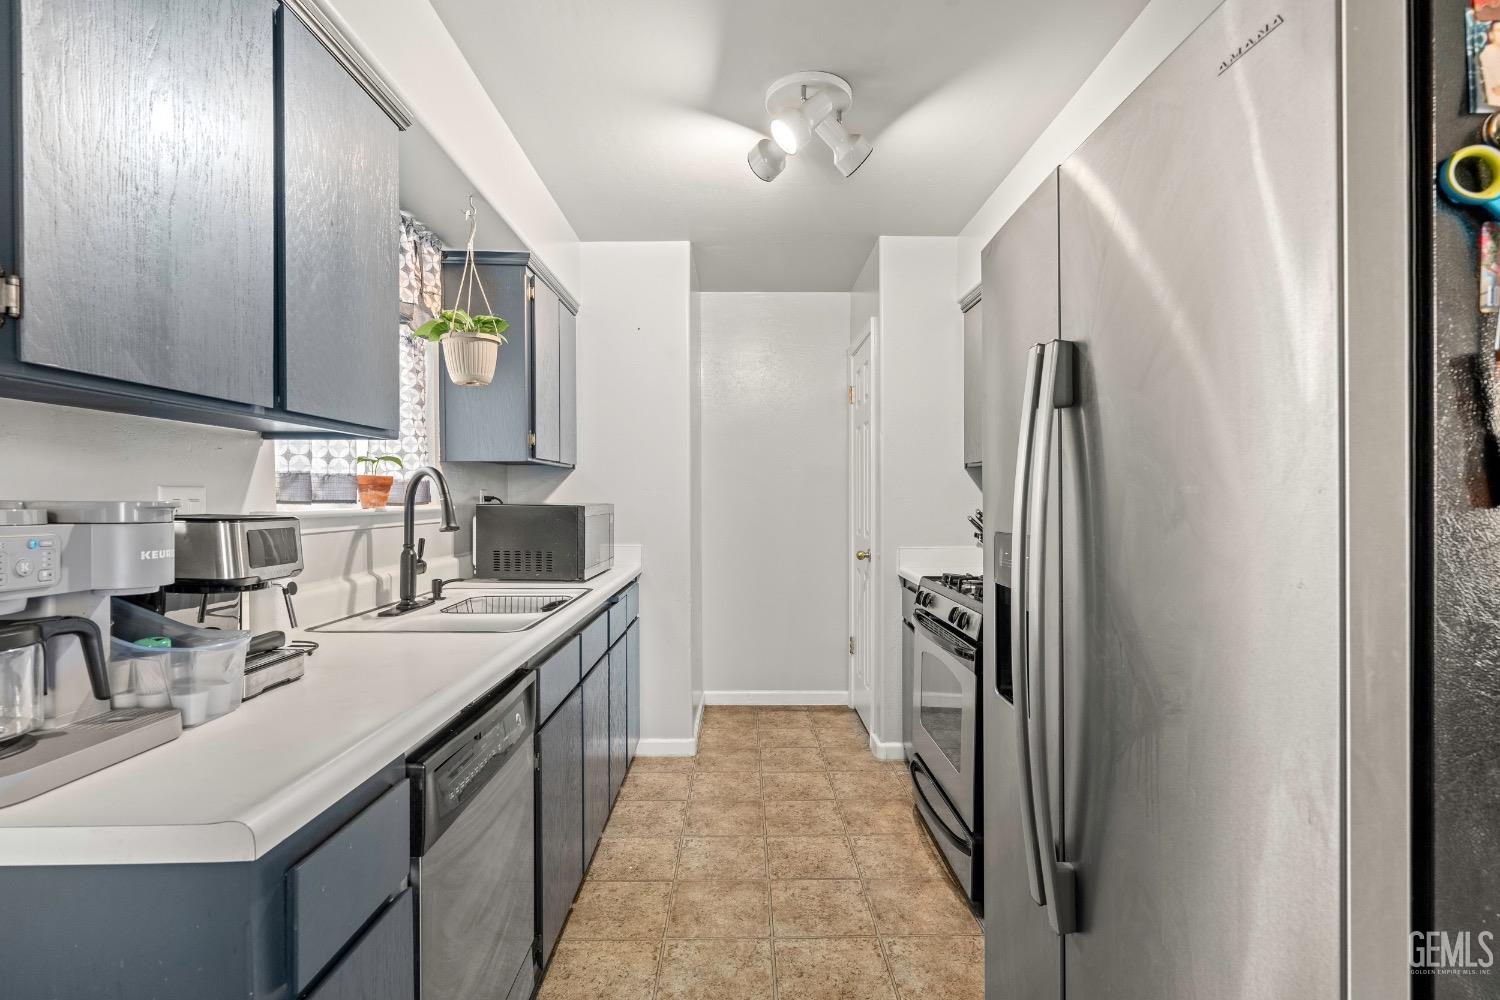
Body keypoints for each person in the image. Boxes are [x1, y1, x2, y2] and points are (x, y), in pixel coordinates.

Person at [1483, 20, 1500, 108]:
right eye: (1498, 31)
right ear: (1491, 34)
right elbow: (1497, 88)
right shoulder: (1488, 53)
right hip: (1495, 106)